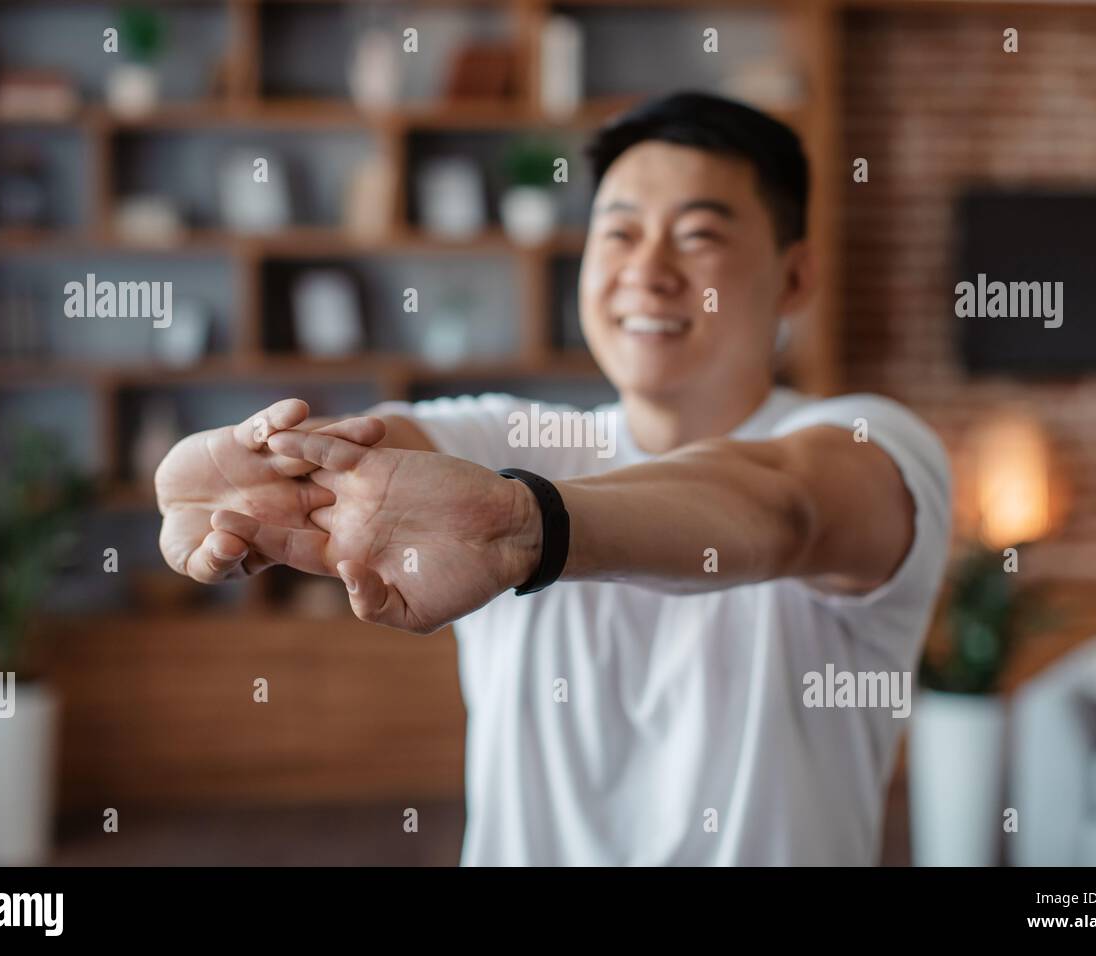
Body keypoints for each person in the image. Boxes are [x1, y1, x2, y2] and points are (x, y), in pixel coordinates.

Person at [154, 91, 952, 865]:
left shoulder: (874, 440)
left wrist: (524, 524)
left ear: (795, 277)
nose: (648, 270)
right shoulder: (509, 436)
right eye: (620, 232)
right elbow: (377, 451)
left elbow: (784, 506)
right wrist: (275, 470)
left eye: (698, 234)